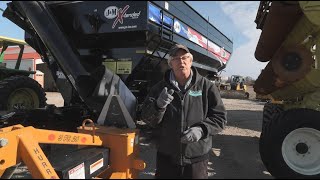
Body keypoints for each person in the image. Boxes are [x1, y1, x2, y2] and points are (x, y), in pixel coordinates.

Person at [139, 44, 227, 179]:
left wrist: (201, 130)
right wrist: (158, 106)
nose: (181, 61)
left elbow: (220, 118)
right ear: (170, 64)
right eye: (176, 58)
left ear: (191, 61)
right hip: (167, 156)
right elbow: (147, 119)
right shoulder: (159, 88)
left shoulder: (206, 87)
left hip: (196, 158)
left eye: (185, 57)